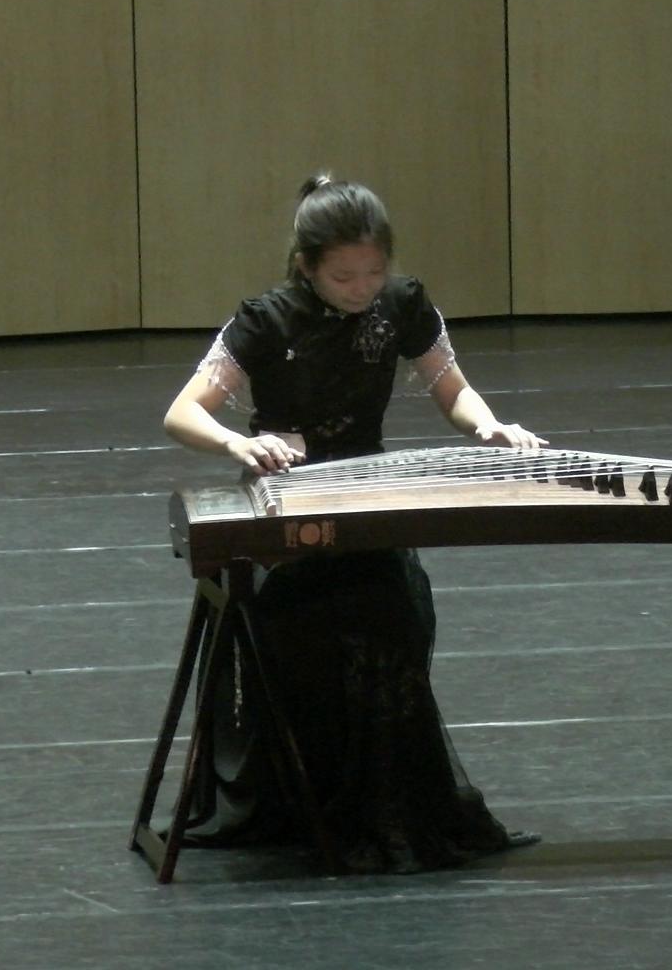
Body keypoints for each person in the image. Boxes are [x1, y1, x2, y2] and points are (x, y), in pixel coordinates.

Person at [161, 172, 545, 873]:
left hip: (366, 497)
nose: (362, 288)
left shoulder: (401, 306)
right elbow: (182, 413)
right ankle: (316, 804)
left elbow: (451, 388)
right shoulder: (268, 320)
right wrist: (239, 444)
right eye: (343, 276)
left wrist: (487, 426)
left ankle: (390, 809)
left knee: (398, 618)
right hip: (289, 500)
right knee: (310, 639)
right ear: (306, 265)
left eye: (373, 272)